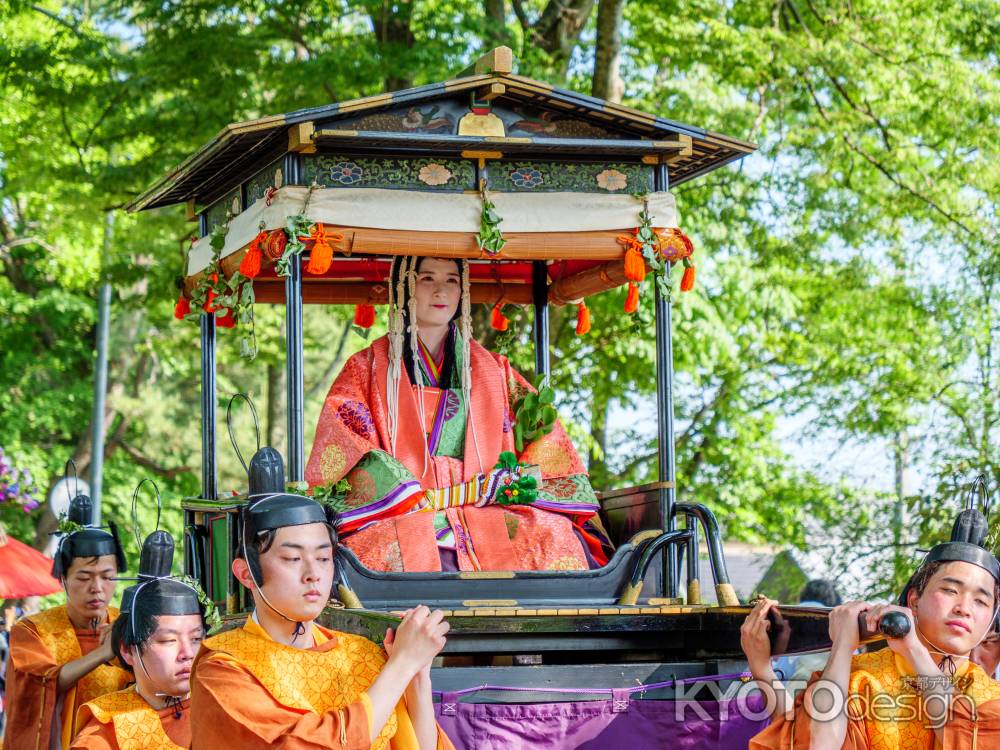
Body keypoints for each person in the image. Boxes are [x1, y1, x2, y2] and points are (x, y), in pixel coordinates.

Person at [305, 256, 609, 573]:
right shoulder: (364, 370)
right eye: (427, 278)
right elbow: (344, 449)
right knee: (374, 552)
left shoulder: (496, 370)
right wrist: (404, 491)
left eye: (452, 280)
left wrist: (509, 482)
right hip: (402, 511)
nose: (441, 291)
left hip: (489, 506)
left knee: (553, 537)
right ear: (403, 287)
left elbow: (545, 440)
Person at [189, 474, 456, 749]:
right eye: (293, 558)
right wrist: (402, 665)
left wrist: (417, 675)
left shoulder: (363, 656)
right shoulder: (223, 670)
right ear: (247, 574)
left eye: (323, 558)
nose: (313, 573)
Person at [748, 507, 1000, 749]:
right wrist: (843, 646)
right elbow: (814, 744)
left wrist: (914, 651)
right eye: (950, 590)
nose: (964, 608)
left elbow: (967, 740)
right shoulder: (859, 679)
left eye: (981, 601)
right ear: (914, 600)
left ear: (991, 618)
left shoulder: (992, 699)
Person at [4, 495, 130, 750]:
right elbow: (39, 684)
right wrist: (103, 653)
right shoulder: (32, 630)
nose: (97, 588)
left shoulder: (129, 625)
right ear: (63, 578)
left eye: (107, 577)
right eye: (84, 578)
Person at [70, 529, 209, 749]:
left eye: (196, 639)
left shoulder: (225, 709)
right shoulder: (104, 736)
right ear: (128, 650)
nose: (187, 654)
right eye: (168, 640)